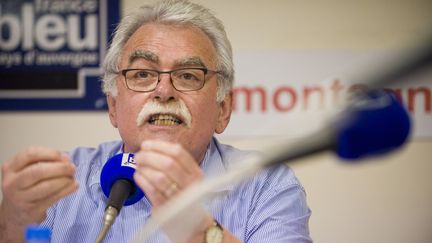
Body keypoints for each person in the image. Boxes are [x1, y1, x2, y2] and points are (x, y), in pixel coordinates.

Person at [0, 0, 312, 242]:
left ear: (223, 109)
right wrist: (14, 221)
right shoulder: (59, 182)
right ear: (112, 106)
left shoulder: (266, 184)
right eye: (143, 74)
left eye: (188, 75)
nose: (163, 91)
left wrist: (198, 231)